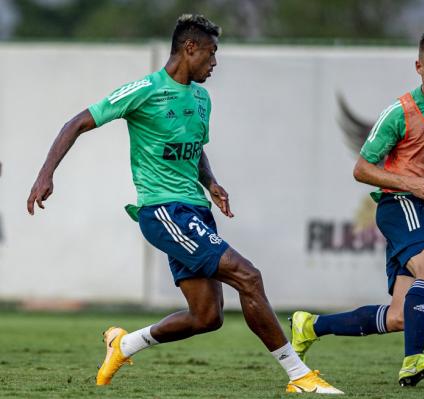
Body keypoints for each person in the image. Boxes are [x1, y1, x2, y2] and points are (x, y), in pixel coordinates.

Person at [27, 14, 342, 395]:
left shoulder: (200, 98)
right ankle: (299, 375)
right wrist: (47, 174)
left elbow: (196, 148)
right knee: (249, 276)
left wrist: (211, 183)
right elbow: (77, 122)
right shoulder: (144, 90)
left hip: (195, 211)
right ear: (189, 48)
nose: (214, 63)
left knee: (207, 317)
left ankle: (123, 345)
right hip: (163, 211)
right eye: (210, 54)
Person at [290, 32, 424, 387]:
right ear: (418, 67)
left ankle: (310, 326)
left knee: (399, 317)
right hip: (401, 203)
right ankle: (413, 360)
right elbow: (362, 169)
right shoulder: (400, 113)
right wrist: (413, 183)